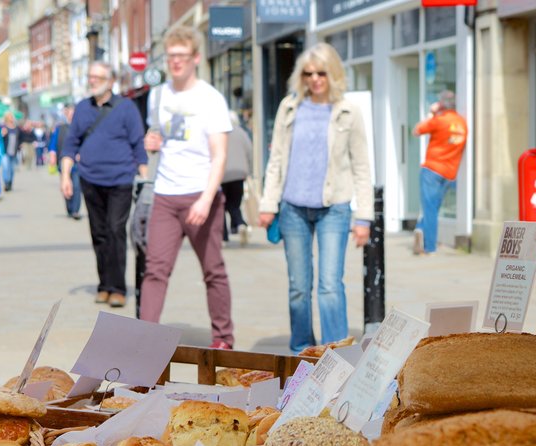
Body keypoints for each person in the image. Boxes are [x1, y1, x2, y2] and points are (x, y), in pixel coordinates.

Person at [259, 43, 373, 355]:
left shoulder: (348, 111)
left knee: (329, 286)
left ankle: (337, 352)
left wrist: (363, 218)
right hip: (292, 208)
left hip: (333, 209)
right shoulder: (289, 108)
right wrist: (268, 204)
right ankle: (301, 350)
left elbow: (362, 166)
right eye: (308, 73)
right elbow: (277, 159)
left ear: (333, 73)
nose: (315, 79)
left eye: (321, 72)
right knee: (298, 288)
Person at [140, 25, 235, 349]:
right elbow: (158, 139)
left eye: (181, 56)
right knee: (154, 270)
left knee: (213, 270)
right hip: (165, 195)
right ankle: (143, 342)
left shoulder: (211, 98)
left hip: (200, 195)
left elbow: (219, 155)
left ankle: (223, 339)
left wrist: (206, 200)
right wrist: (151, 143)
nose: (175, 62)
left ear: (195, 58)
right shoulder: (158, 94)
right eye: (170, 56)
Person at [61, 61, 148, 308]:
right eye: (90, 76)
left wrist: (144, 180)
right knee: (98, 233)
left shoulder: (126, 107)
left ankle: (118, 288)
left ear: (110, 82)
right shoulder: (82, 108)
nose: (93, 81)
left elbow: (138, 145)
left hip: (120, 180)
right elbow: (70, 145)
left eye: (98, 77)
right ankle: (104, 284)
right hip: (90, 180)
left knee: (115, 230)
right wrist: (65, 176)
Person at [412, 90, 467, 255]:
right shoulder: (462, 123)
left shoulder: (438, 120)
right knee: (433, 207)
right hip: (449, 173)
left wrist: (432, 113)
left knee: (429, 209)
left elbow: (417, 130)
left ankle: (429, 246)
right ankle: (421, 229)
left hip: (432, 170)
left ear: (442, 104)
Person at [222, 110, 252, 245]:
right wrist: (249, 171)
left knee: (220, 206)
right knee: (234, 204)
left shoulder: (218, 132)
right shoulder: (241, 132)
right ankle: (240, 224)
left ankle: (223, 237)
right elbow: (250, 151)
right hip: (239, 174)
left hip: (221, 175)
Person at [48, 105, 83, 219]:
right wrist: (52, 155)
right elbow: (53, 144)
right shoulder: (60, 128)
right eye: (70, 114)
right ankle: (69, 207)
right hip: (63, 162)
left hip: (77, 163)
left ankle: (75, 210)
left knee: (77, 187)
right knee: (66, 186)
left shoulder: (81, 128)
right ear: (66, 114)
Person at [0, 112, 21, 192]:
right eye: (9, 117)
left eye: (12, 117)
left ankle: (10, 183)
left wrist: (20, 145)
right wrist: (2, 134)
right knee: (6, 168)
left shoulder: (16, 128)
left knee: (12, 169)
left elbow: (20, 138)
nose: (11, 118)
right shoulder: (3, 127)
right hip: (5, 151)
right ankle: (6, 183)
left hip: (14, 151)